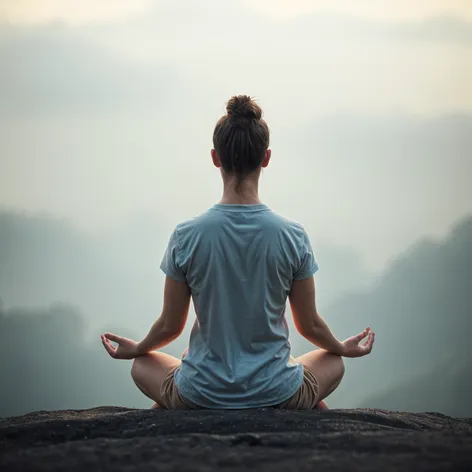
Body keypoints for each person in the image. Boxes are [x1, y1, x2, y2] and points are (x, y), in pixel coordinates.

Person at [101, 95, 375, 410]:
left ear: (216, 157)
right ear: (266, 157)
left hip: (202, 393)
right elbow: (309, 325)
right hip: (277, 392)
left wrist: (138, 348)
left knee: (142, 364)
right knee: (333, 361)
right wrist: (342, 346)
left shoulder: (186, 235)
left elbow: (169, 326)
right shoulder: (292, 235)